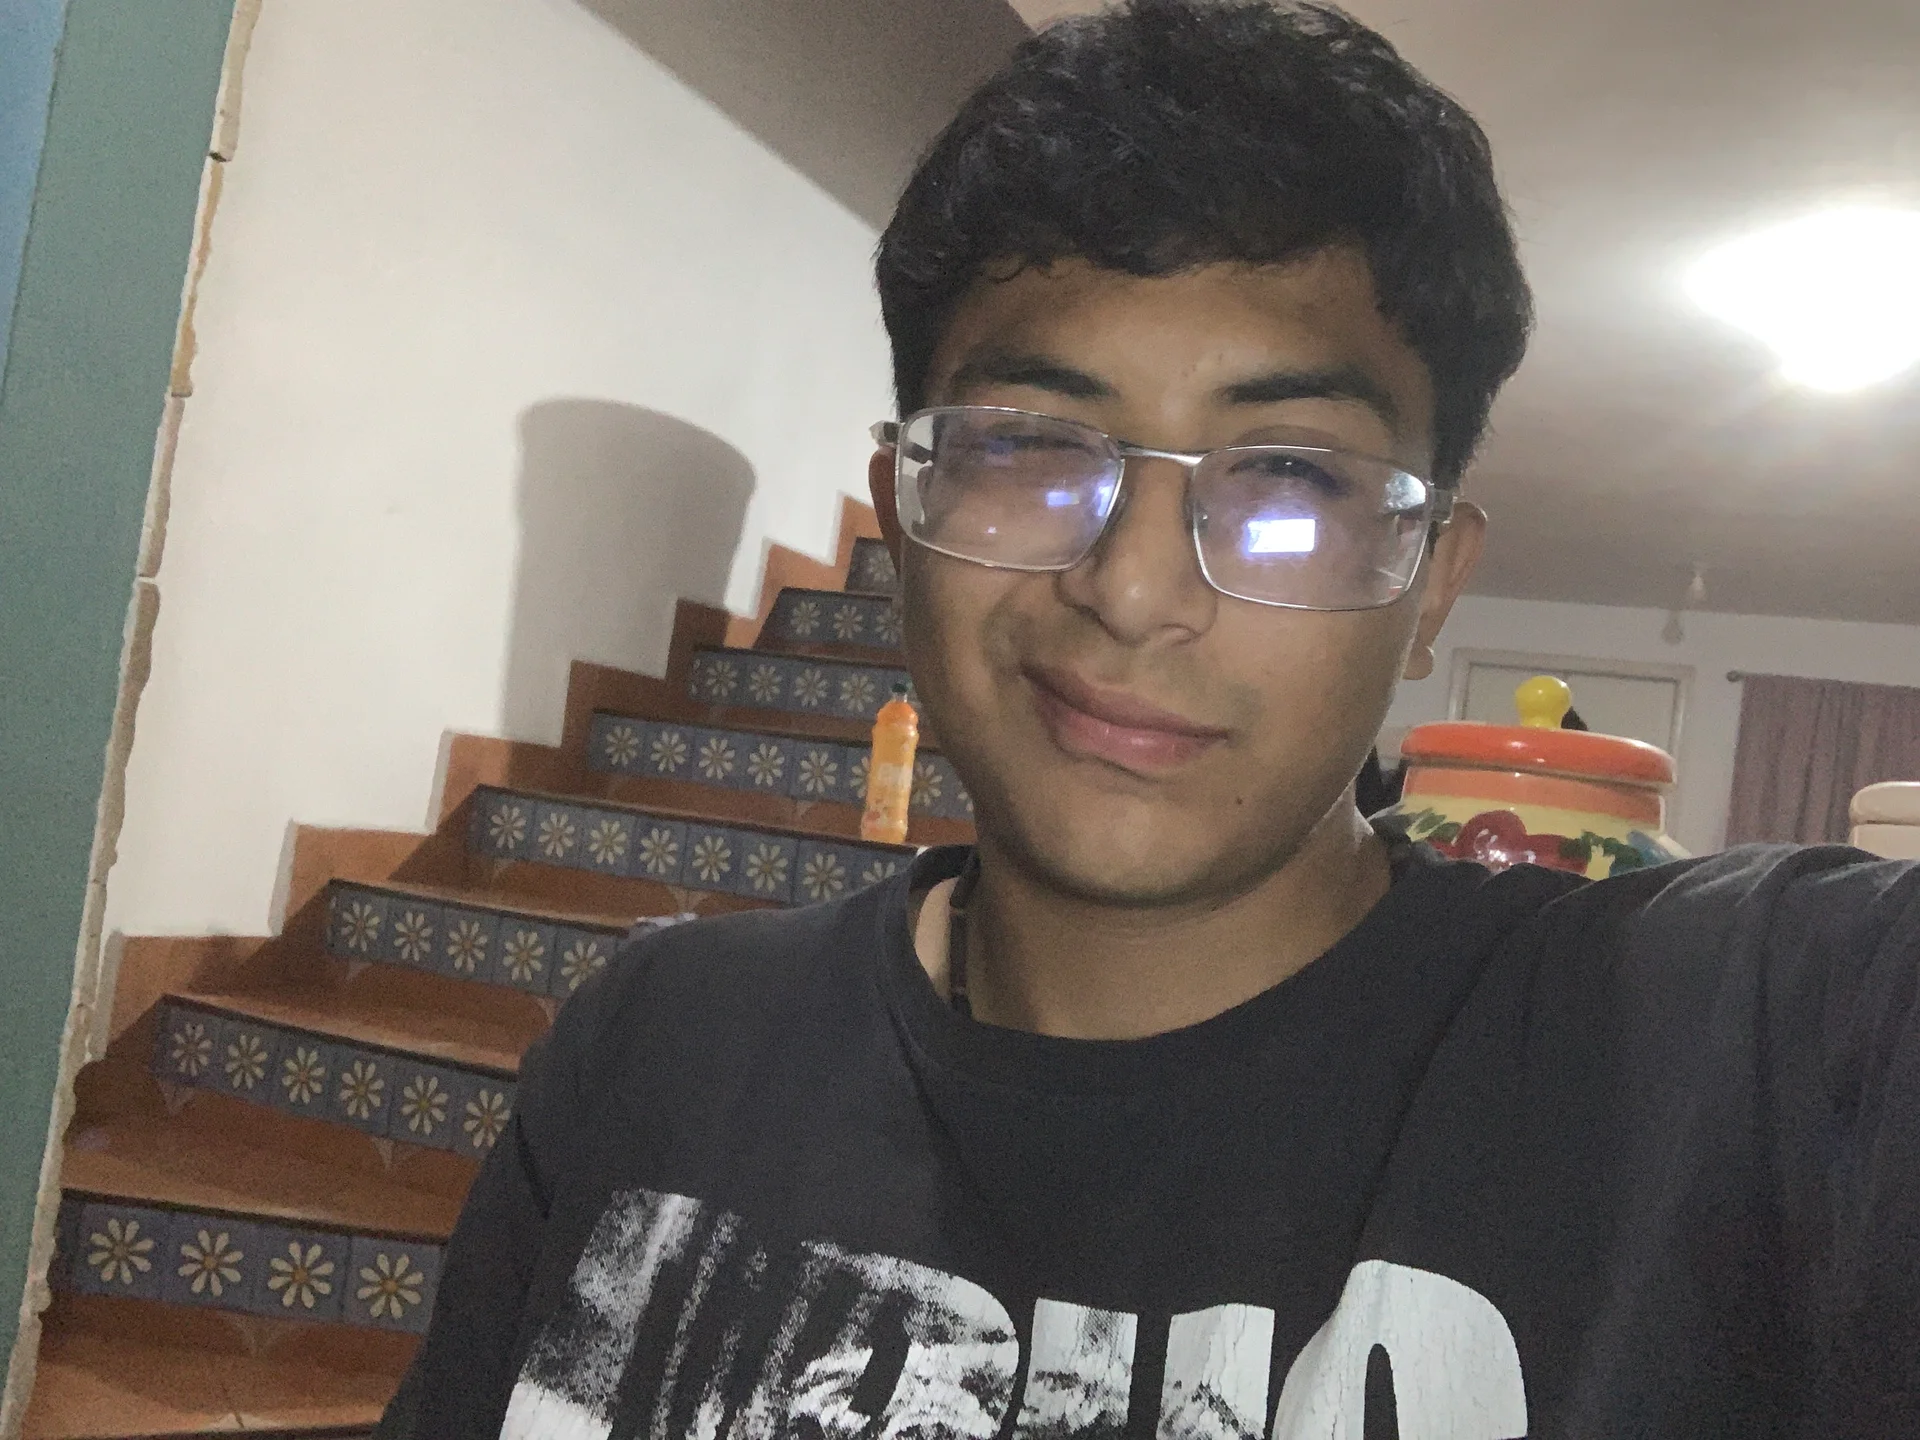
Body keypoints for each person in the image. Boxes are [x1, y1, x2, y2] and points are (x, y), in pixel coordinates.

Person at [385, 4, 1920, 1436]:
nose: (1130, 590)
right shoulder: (657, 1043)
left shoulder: (1731, 1056)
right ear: (902, 513)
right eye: (1034, 447)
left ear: (1428, 588)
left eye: (1289, 480)